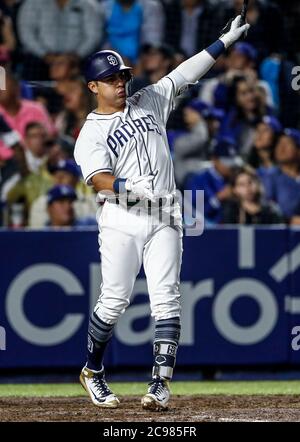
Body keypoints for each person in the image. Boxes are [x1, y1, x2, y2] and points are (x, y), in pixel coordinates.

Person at [74, 15, 249, 410]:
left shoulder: (149, 100)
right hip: (123, 219)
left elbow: (185, 72)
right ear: (93, 86)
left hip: (167, 215)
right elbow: (100, 180)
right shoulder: (91, 133)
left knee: (167, 299)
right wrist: (131, 192)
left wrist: (225, 41)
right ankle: (92, 370)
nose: (120, 83)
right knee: (115, 299)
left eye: (122, 76)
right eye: (111, 79)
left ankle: (160, 384)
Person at [17, 0, 103, 80]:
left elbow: (94, 35)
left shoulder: (88, 4)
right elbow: (26, 34)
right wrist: (45, 55)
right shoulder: (32, 3)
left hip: (78, 59)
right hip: (39, 59)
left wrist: (75, 56)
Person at [184, 136, 243, 225]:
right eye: (226, 162)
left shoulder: (237, 178)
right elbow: (192, 214)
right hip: (207, 233)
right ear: (214, 160)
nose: (230, 167)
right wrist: (218, 199)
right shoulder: (198, 181)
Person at [29, 159, 97, 228]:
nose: (59, 178)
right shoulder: (41, 201)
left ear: (76, 179)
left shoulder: (90, 201)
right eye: (55, 174)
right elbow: (36, 232)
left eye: (65, 175)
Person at [264, 128, 300, 222]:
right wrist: (289, 220)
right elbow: (268, 207)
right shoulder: (271, 176)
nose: (281, 147)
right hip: (283, 231)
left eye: (287, 143)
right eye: (279, 143)